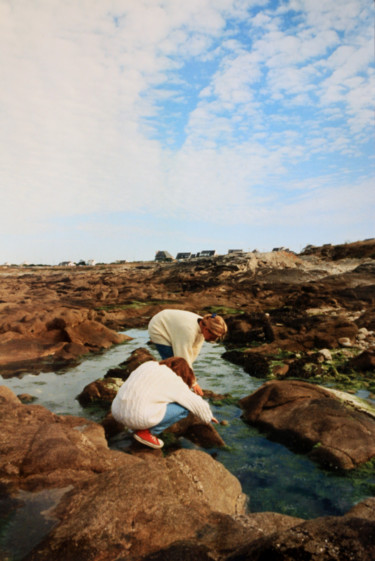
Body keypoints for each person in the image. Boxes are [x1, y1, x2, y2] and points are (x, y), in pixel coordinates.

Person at [111, 357, 218, 449]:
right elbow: (195, 402)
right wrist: (208, 417)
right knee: (185, 407)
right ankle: (146, 433)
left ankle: (135, 427)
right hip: (138, 417)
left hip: (116, 411)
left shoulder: (147, 365)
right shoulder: (174, 379)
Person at [148, 309, 227, 395]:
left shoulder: (204, 324)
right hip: (159, 326)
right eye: (213, 336)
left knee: (181, 368)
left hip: (174, 326)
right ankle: (167, 391)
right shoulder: (188, 331)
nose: (214, 340)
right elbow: (182, 357)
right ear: (206, 329)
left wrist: (189, 375)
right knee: (172, 362)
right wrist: (194, 383)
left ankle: (177, 387)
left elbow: (193, 351)